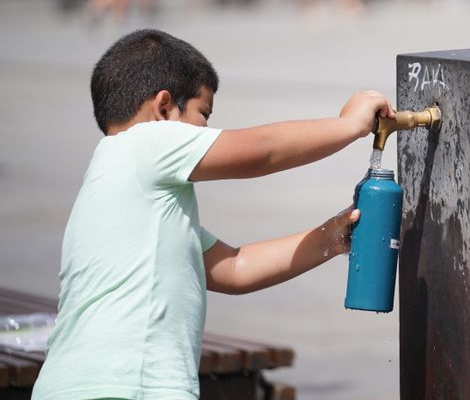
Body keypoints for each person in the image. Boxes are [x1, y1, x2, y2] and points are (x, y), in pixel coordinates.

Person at [31, 29, 394, 399]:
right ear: (163, 108)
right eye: (203, 114)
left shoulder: (130, 192)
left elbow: (235, 268)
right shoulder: (145, 142)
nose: (207, 128)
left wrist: (329, 239)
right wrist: (348, 126)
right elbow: (262, 151)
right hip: (127, 385)